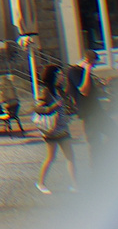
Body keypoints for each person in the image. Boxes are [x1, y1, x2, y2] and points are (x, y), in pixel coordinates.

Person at [34, 64, 77, 194]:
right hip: (51, 130)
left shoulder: (59, 90)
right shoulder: (45, 91)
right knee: (51, 157)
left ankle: (76, 185)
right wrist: (53, 106)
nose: (62, 76)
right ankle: (41, 183)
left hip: (63, 128)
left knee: (70, 157)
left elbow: (65, 106)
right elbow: (38, 108)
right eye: (59, 74)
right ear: (53, 76)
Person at [68, 50, 109, 169]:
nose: (94, 66)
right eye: (93, 64)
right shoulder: (74, 71)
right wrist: (87, 70)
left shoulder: (84, 72)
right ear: (88, 61)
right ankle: (96, 171)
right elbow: (84, 91)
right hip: (88, 113)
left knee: (115, 134)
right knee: (94, 143)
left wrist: (101, 85)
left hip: (97, 111)